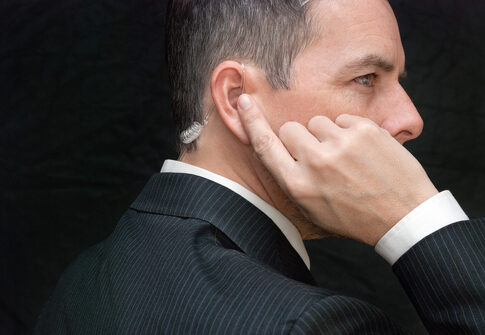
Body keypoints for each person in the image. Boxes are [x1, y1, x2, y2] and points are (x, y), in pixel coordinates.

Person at [35, 0, 485, 333]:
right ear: (236, 98)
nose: (410, 119)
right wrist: (421, 222)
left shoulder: (84, 280)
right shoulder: (309, 324)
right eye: (365, 78)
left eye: (397, 82)